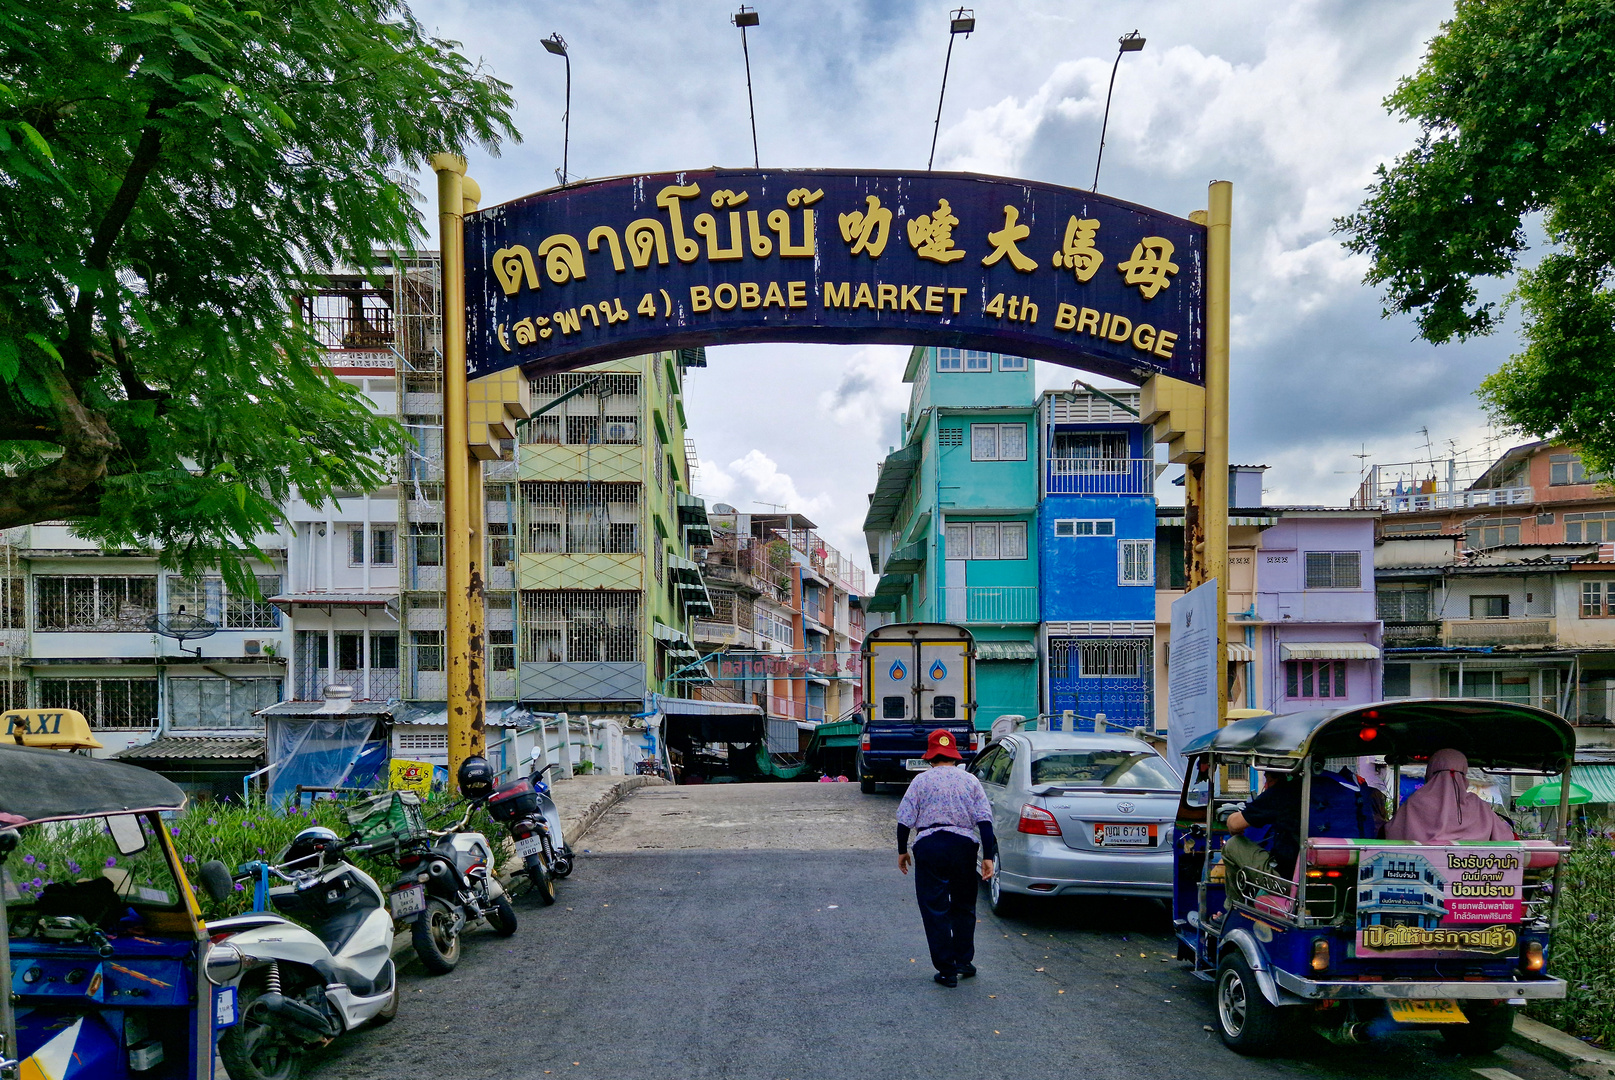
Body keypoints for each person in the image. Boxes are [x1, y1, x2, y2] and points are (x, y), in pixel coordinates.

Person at [896, 729, 997, 988]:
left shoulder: (920, 781)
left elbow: (904, 820)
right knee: (964, 905)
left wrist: (902, 850)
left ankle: (946, 970)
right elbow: (984, 821)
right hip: (964, 847)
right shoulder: (970, 780)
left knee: (934, 908)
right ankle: (963, 960)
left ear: (931, 757)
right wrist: (988, 856)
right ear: (954, 755)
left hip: (930, 846)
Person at [1221, 762, 1380, 893]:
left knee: (1233, 845)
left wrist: (1237, 822)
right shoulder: (1349, 789)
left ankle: (1233, 910)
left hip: (1292, 883)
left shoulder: (1285, 791)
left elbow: (1234, 824)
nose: (1266, 785)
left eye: (1267, 779)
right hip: (1354, 877)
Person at [1386, 748, 1515, 843]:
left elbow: (1391, 833)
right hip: (1472, 874)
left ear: (1430, 771)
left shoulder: (1415, 802)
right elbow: (1505, 837)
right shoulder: (1479, 805)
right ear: (1464, 774)